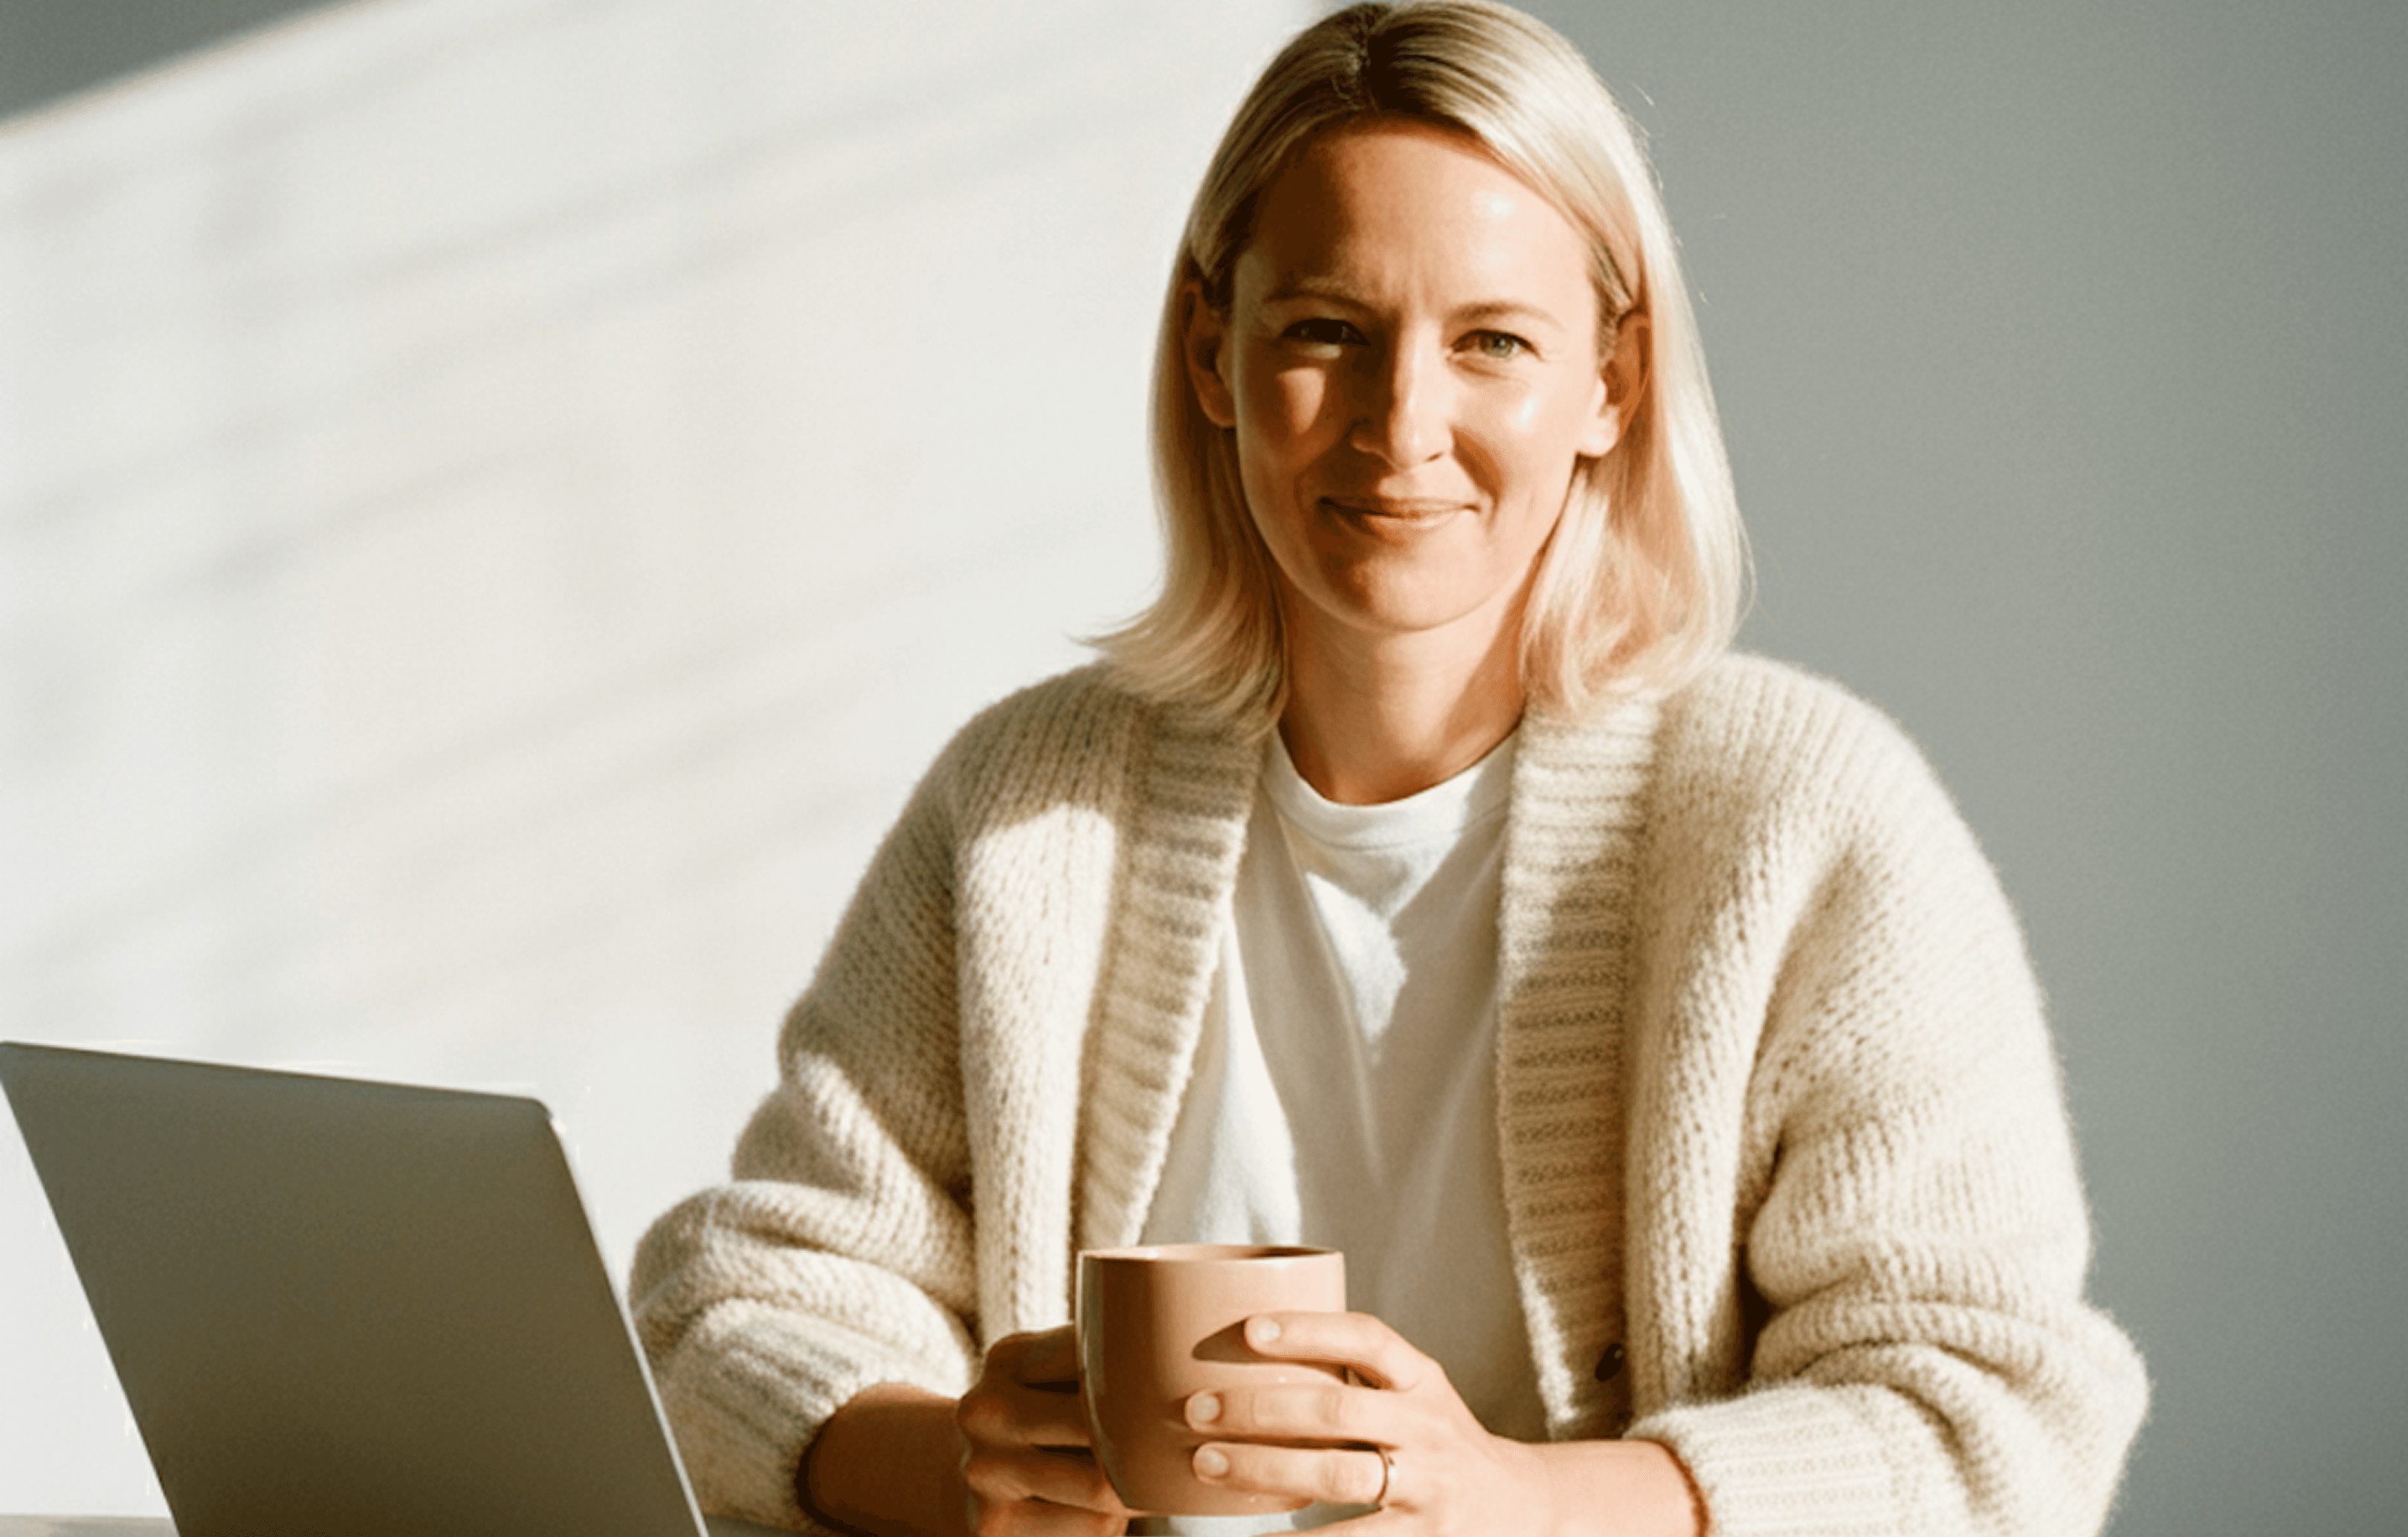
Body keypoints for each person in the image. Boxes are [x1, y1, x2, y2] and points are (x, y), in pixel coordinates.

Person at [628, 3, 2149, 1535]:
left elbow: (1988, 1429)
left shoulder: (1800, 824)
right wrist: (955, 1459)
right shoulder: (1033, 808)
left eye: (1491, 340)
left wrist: (1515, 1499)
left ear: (1609, 384)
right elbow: (734, 1305)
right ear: (1213, 352)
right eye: (1324, 331)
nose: (1399, 424)